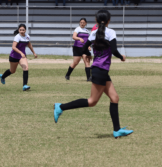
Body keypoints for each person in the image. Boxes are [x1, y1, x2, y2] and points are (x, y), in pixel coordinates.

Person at [54, 10, 133, 139]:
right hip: (100, 71)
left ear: (96, 21)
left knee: (115, 98)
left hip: (99, 70)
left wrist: (90, 54)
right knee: (92, 101)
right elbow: (114, 50)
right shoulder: (111, 32)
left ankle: (117, 130)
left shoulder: (93, 33)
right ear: (108, 21)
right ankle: (60, 107)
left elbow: (84, 49)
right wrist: (122, 57)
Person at [0, 24, 38, 91]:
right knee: (12, 71)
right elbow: (13, 47)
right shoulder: (17, 37)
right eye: (20, 30)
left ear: (25, 30)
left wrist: (34, 53)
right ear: (18, 30)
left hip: (22, 57)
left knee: (26, 68)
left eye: (23, 30)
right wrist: (21, 53)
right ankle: (2, 77)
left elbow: (29, 44)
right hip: (14, 56)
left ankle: (24, 85)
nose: (22, 31)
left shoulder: (27, 36)